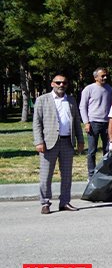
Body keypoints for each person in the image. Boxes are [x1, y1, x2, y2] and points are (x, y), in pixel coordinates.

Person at [33, 73, 83, 214]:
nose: (61, 85)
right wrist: (38, 141)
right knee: (45, 175)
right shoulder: (42, 100)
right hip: (49, 142)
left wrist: (80, 140)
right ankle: (45, 203)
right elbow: (36, 123)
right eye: (58, 82)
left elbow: (77, 123)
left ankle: (65, 202)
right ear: (52, 84)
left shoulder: (71, 100)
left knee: (67, 175)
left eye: (64, 83)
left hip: (67, 141)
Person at [78, 67, 112, 176]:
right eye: (102, 76)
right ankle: (91, 174)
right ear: (96, 77)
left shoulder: (108, 88)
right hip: (93, 123)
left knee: (108, 150)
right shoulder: (89, 89)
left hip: (107, 123)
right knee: (92, 150)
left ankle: (105, 172)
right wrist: (86, 122)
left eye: (106, 75)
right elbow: (82, 106)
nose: (105, 77)